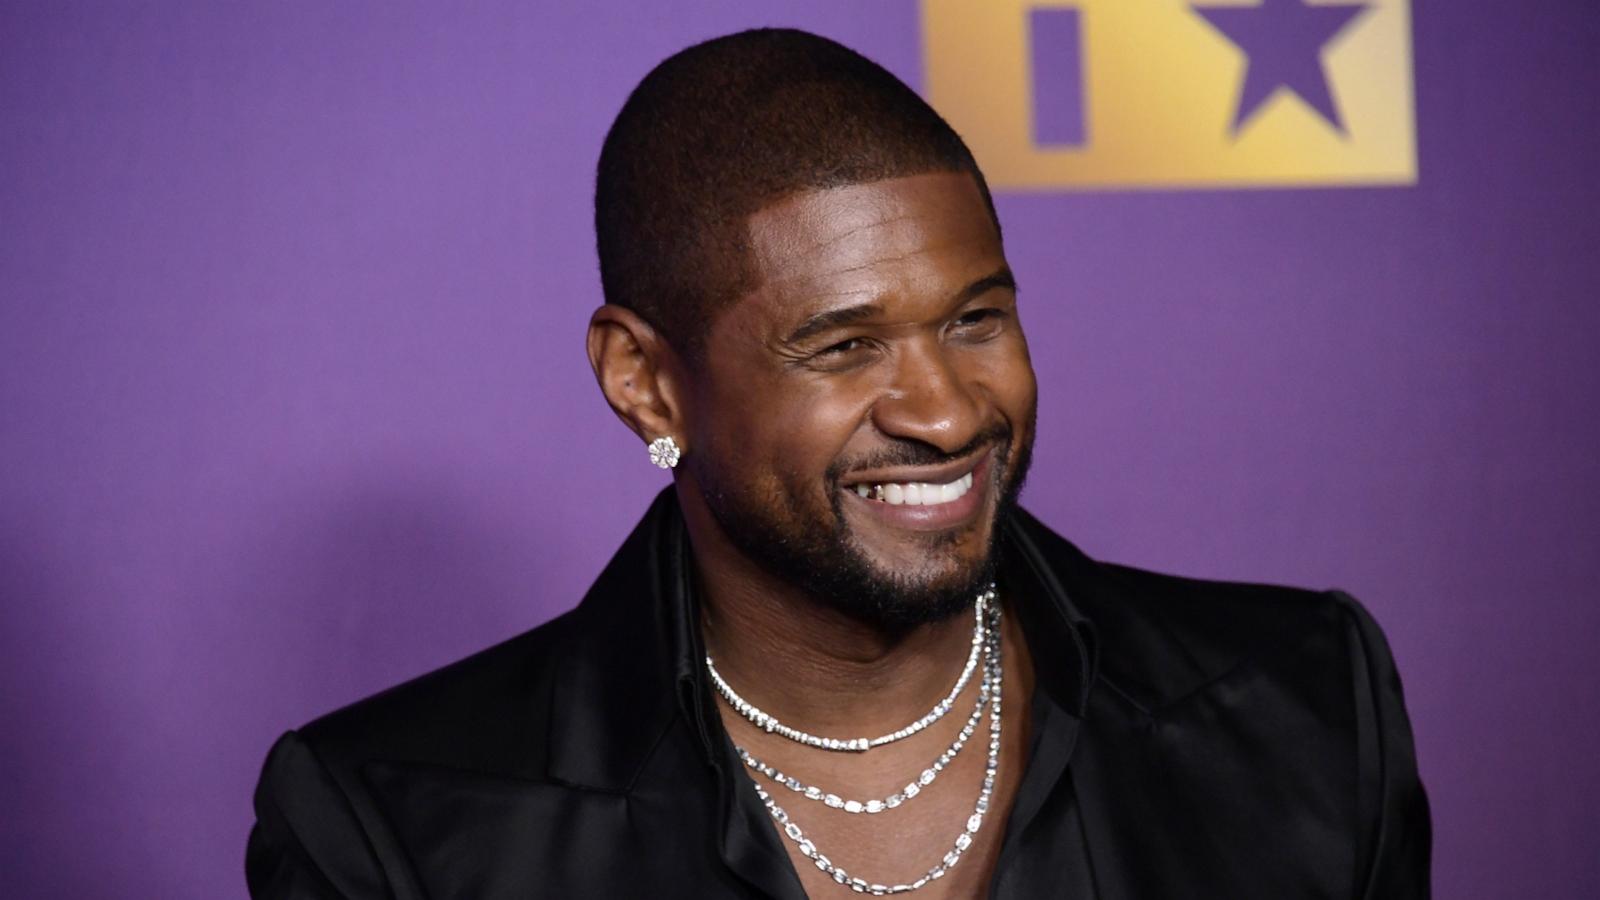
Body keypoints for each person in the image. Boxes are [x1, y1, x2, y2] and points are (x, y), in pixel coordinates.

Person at [246, 27, 1430, 899]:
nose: (946, 411)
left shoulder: (1309, 706)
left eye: (976, 319)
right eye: (845, 346)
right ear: (645, 382)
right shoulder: (390, 825)